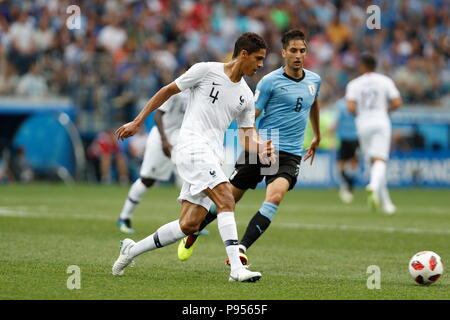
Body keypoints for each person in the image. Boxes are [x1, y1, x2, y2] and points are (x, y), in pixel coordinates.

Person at [112, 32, 273, 282]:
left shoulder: (246, 96)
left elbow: (246, 135)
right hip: (190, 146)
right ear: (243, 54)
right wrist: (137, 121)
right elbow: (167, 91)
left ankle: (131, 250)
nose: (261, 64)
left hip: (212, 154)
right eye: (258, 58)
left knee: (189, 225)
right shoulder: (206, 70)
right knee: (226, 199)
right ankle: (236, 269)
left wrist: (261, 147)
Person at [177, 29, 321, 266]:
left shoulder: (314, 80)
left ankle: (241, 248)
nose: (298, 55)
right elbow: (250, 117)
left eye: (302, 51)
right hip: (263, 144)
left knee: (275, 197)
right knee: (228, 200)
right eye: (293, 50)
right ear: (284, 52)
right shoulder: (269, 82)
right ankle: (194, 230)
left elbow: (314, 103)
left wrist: (317, 134)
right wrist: (257, 145)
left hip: (291, 152)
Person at [117, 90, 188, 234]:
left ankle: (190, 223)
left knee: (190, 178)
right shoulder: (178, 89)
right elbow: (158, 114)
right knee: (147, 180)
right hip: (162, 138)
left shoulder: (202, 92)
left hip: (180, 139)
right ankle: (124, 217)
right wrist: (163, 140)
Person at [345, 53, 402, 214]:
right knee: (380, 161)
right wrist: (385, 111)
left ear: (363, 66)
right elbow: (398, 102)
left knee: (373, 162)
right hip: (380, 122)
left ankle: (386, 204)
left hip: (363, 124)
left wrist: (362, 114)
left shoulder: (354, 83)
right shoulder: (385, 81)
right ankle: (373, 186)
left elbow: (350, 107)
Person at [330, 97, 359, 204]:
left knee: (353, 163)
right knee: (342, 164)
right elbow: (336, 120)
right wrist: (332, 134)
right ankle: (347, 184)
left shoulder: (357, 103)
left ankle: (348, 186)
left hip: (355, 137)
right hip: (344, 138)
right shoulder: (342, 104)